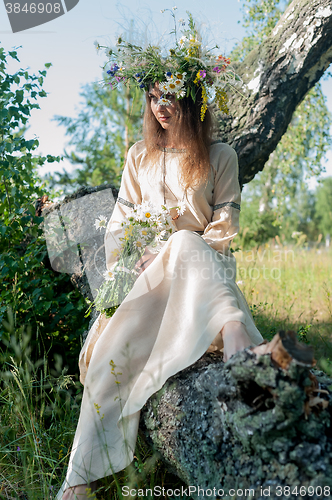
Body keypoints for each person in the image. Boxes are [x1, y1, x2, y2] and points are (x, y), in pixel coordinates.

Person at [58, 19, 266, 500]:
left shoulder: (221, 156)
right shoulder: (138, 156)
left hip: (201, 277)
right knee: (111, 355)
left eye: (170, 96)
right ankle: (80, 481)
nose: (161, 106)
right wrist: (135, 259)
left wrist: (174, 244)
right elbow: (118, 229)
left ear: (192, 100)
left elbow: (223, 229)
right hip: (146, 278)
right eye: (153, 97)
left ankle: (230, 325)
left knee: (185, 242)